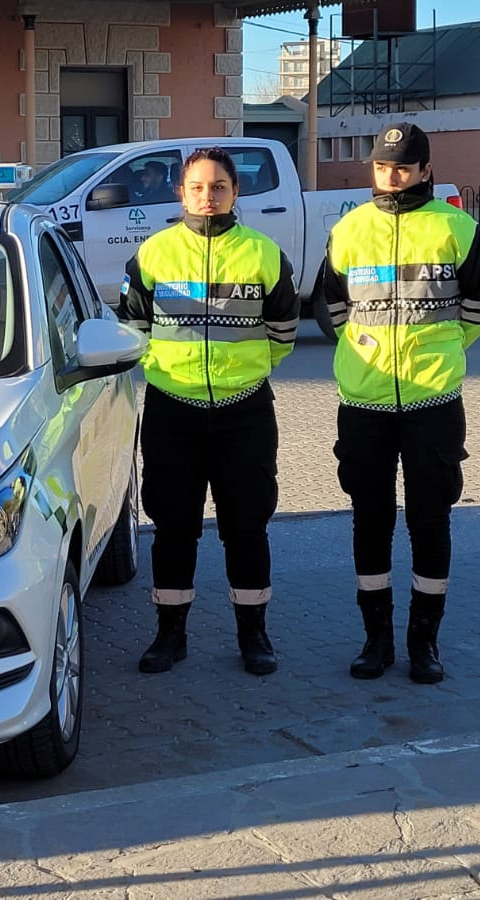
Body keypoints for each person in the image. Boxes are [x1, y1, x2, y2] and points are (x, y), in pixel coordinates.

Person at [118, 147, 299, 676]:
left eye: (218, 186)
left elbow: (284, 332)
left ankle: (254, 636)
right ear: (181, 192)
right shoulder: (153, 255)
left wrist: (244, 371)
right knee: (174, 527)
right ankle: (169, 636)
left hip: (245, 412)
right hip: (173, 410)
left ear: (234, 192)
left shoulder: (264, 254)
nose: (207, 195)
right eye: (197, 186)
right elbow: (133, 329)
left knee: (247, 526)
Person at [324, 122, 480, 685]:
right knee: (369, 519)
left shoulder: (457, 228)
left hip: (431, 401)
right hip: (363, 402)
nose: (392, 176)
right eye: (383, 166)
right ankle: (377, 640)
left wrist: (438, 350)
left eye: (404, 167)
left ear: (425, 170)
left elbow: (475, 309)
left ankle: (424, 643)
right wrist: (365, 351)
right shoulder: (348, 230)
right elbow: (335, 307)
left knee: (429, 520)